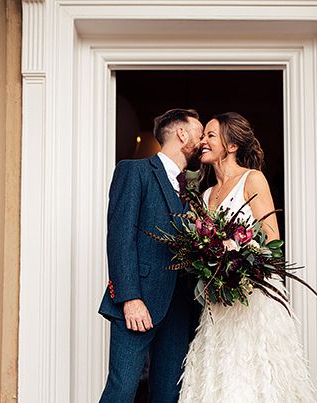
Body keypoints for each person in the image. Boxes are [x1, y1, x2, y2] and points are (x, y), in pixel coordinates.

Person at [179, 112, 316, 402]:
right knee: (222, 377)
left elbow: (271, 240)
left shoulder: (252, 180)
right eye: (203, 135)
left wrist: (236, 256)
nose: (202, 141)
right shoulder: (206, 195)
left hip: (253, 300)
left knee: (253, 378)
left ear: (231, 146)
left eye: (210, 135)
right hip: (219, 303)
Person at [98, 109, 203, 402]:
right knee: (122, 390)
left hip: (180, 306)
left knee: (169, 394)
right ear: (181, 133)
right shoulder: (135, 171)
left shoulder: (191, 189)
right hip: (139, 302)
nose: (203, 139)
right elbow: (120, 238)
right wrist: (130, 298)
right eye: (199, 131)